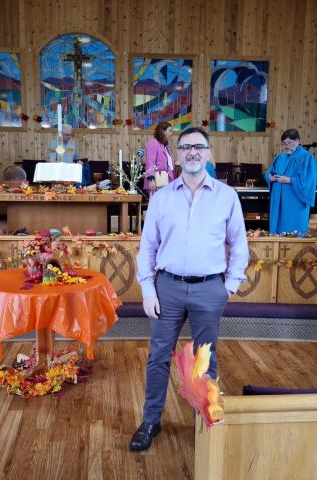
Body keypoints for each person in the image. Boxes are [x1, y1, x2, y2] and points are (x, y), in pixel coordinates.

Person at [129, 127, 249, 452]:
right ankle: (151, 420)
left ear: (209, 152)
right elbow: (147, 247)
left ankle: (203, 421)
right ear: (178, 154)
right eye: (186, 147)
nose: (193, 152)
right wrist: (148, 290)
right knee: (157, 358)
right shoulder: (162, 198)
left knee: (204, 361)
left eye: (199, 147)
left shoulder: (227, 196)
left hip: (210, 289)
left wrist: (229, 287)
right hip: (166, 287)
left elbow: (239, 245)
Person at [264, 129, 316, 234]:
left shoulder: (306, 157)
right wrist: (269, 177)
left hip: (295, 201)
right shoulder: (280, 157)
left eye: (290, 143)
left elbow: (309, 180)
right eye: (284, 143)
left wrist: (289, 180)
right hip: (278, 201)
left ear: (297, 141)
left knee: (294, 233)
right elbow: (269, 172)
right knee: (279, 231)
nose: (286, 146)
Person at [144, 122, 175, 194]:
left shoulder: (165, 146)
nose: (171, 133)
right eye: (169, 131)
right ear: (163, 131)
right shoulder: (153, 143)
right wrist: (151, 179)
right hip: (157, 181)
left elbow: (167, 164)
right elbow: (150, 162)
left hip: (167, 181)